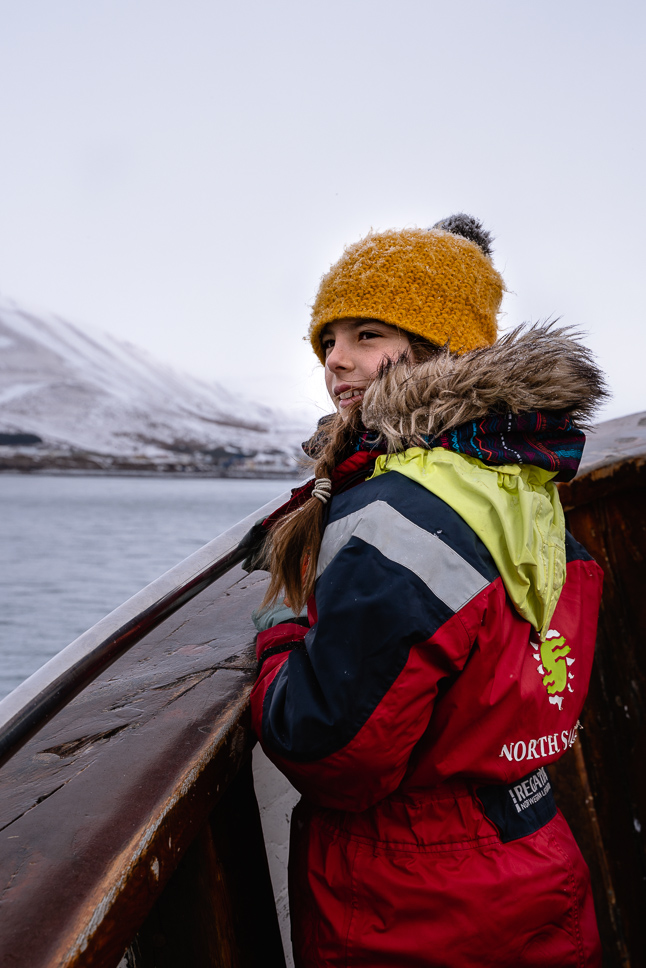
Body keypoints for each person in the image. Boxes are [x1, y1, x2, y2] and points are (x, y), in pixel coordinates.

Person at [248, 214, 607, 967]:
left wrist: (283, 625)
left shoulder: (404, 515)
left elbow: (330, 749)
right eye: (328, 340)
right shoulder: (513, 472)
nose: (336, 362)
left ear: (438, 346)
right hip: (529, 858)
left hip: (413, 905)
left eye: (368, 335)